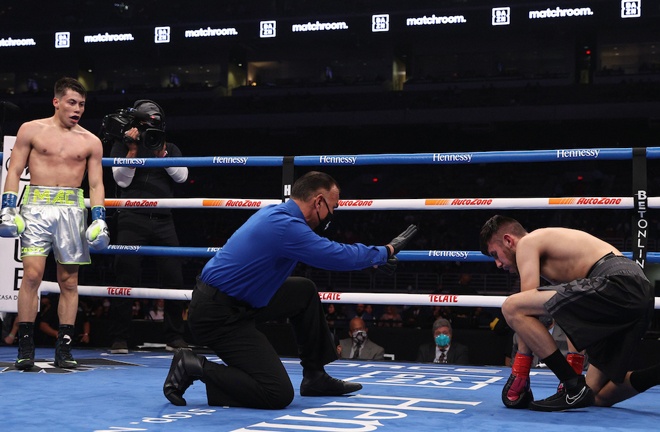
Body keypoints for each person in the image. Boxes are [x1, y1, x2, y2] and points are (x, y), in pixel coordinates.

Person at [162, 171, 418, 409]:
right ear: (318, 202)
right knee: (277, 393)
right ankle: (194, 365)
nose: (333, 214)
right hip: (218, 316)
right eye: (333, 207)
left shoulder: (279, 215)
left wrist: (375, 259)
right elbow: (335, 255)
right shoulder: (286, 227)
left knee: (303, 291)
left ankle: (315, 377)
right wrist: (386, 252)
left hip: (237, 301)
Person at [479, 215, 658, 412]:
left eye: (495, 254)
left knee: (511, 306)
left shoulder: (527, 243)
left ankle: (573, 387)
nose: (498, 264)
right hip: (637, 294)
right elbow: (575, 318)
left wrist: (520, 369)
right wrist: (574, 364)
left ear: (508, 240)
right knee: (594, 396)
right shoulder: (565, 261)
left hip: (618, 283)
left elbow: (524, 307)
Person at [0, 77, 108, 370]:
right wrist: (8, 207)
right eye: (72, 103)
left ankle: (65, 347)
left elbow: (96, 184)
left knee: (69, 281)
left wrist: (99, 218)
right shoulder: (31, 129)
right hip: (36, 206)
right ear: (56, 101)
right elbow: (14, 170)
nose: (77, 109)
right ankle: (25, 345)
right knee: (32, 276)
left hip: (72, 209)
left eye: (82, 104)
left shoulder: (90, 141)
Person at [107, 99, 189, 354]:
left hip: (164, 221)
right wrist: (132, 151)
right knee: (126, 275)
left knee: (174, 278)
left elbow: (183, 176)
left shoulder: (169, 147)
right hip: (132, 218)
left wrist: (161, 155)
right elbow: (120, 180)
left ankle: (174, 337)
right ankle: (120, 337)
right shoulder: (123, 145)